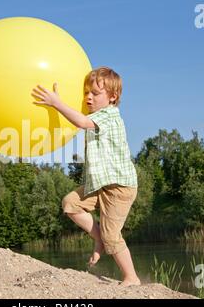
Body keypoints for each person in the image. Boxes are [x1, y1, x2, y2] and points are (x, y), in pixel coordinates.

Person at [31, 66, 140, 286]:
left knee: (113, 236)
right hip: (99, 184)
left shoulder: (110, 116)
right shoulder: (97, 115)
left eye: (95, 93)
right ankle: (98, 238)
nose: (88, 97)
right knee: (70, 203)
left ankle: (131, 277)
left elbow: (81, 122)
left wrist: (56, 103)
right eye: (86, 93)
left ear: (112, 97)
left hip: (119, 187)